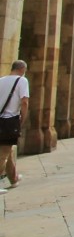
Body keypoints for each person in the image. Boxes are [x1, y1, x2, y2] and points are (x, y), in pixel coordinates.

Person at [0, 60, 29, 194]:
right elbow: (24, 102)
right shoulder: (22, 81)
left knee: (8, 150)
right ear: (22, 69)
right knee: (3, 154)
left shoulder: (2, 80)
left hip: (1, 120)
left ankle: (14, 178)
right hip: (10, 121)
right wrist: (22, 119)